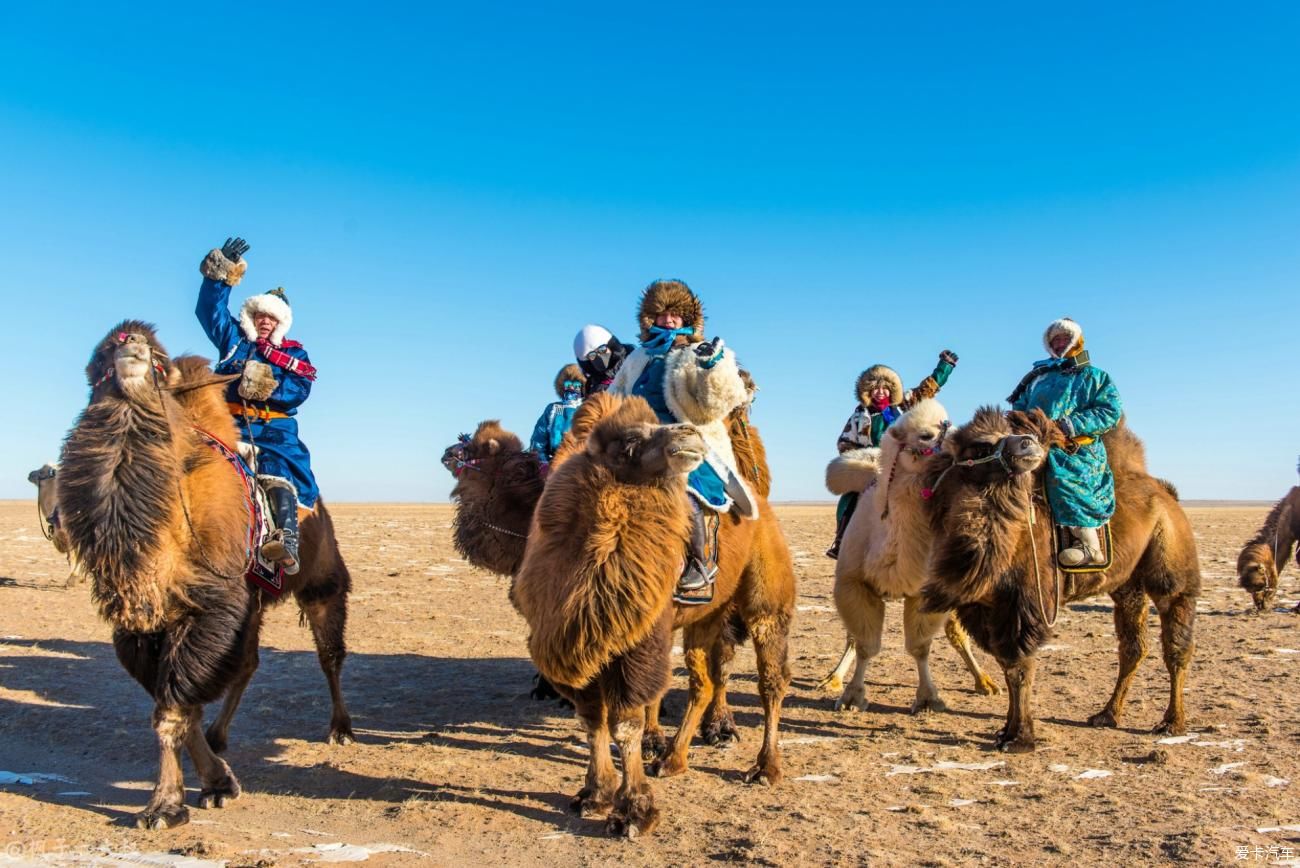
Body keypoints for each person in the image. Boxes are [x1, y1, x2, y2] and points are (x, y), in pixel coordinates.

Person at [609, 279, 756, 604]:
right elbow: (614, 397)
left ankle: (697, 564)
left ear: (688, 318)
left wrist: (711, 366)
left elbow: (721, 401)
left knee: (681, 488)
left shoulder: (701, 353)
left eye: (676, 314)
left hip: (686, 440)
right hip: (638, 442)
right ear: (651, 318)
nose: (670, 321)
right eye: (662, 314)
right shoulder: (637, 358)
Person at [196, 237, 318, 575]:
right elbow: (210, 311)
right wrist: (219, 274)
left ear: (282, 322)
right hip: (227, 424)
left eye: (271, 317)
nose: (265, 321)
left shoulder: (294, 355)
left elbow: (300, 389)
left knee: (278, 473)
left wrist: (268, 388)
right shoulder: (233, 341)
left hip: (275, 429)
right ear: (251, 315)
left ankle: (285, 540)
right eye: (260, 314)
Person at [1008, 317, 1123, 567]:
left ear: (1076, 341)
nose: (1059, 344)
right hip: (1035, 440)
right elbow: (1020, 405)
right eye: (1055, 340)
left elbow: (1110, 412)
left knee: (1063, 478)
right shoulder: (1038, 377)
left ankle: (1088, 545)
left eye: (1064, 339)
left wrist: (1068, 425)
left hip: (1074, 447)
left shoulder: (1094, 377)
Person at [826, 351, 958, 558]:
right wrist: (861, 458)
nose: (880, 392)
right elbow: (844, 443)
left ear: (891, 390)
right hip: (872, 466)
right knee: (850, 498)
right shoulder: (860, 416)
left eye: (884, 387)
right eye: (875, 388)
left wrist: (945, 367)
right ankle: (841, 540)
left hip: (903, 462)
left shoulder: (903, 407)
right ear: (867, 391)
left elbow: (928, 389)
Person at [529, 363, 585, 465]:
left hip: (581, 464)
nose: (572, 388)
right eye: (568, 384)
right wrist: (543, 463)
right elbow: (539, 438)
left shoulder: (587, 409)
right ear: (562, 386)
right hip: (554, 464)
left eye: (577, 385)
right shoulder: (555, 409)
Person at [573, 324, 632, 397]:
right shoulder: (595, 392)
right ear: (588, 363)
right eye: (592, 355)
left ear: (611, 346)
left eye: (602, 349)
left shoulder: (635, 364)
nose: (599, 356)